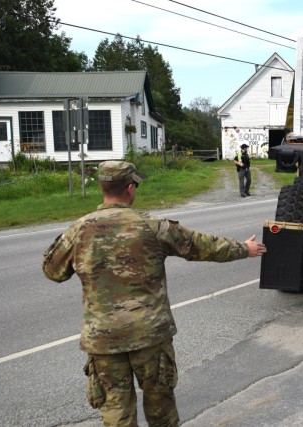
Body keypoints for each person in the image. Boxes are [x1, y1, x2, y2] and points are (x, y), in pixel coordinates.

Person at [42, 160, 266, 427]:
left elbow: (53, 271)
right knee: (161, 411)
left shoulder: (79, 230)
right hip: (150, 337)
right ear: (129, 188)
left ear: (103, 188)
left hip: (104, 340)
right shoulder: (153, 226)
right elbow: (201, 246)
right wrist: (244, 248)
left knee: (116, 413)